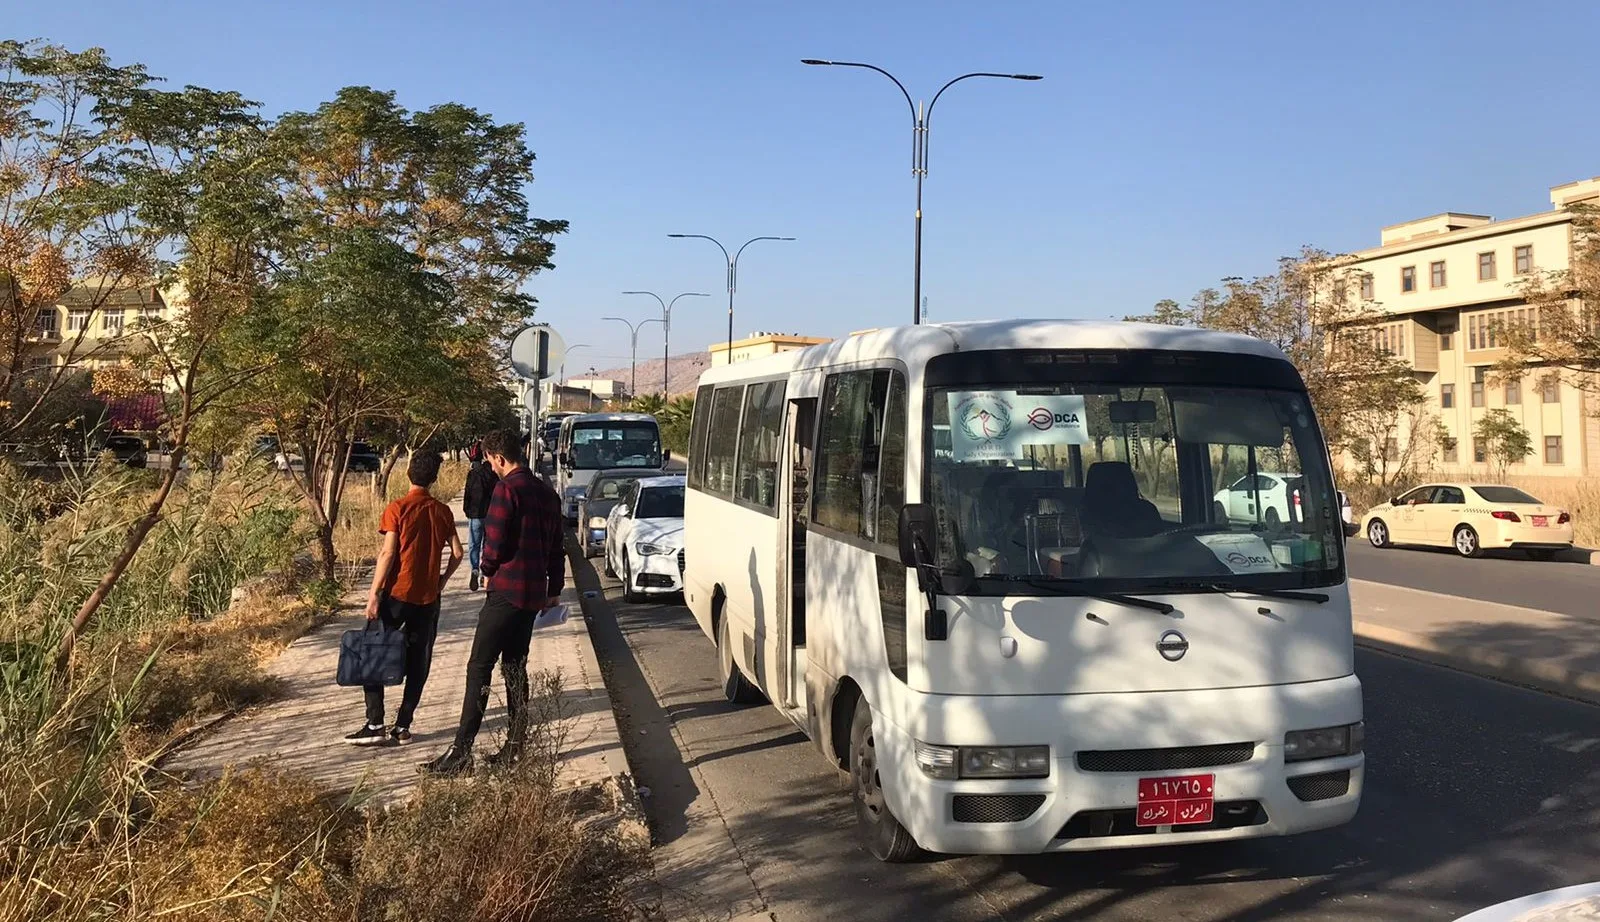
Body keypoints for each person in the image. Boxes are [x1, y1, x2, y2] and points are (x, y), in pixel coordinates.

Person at [423, 428, 564, 775]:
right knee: (516, 667)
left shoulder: (506, 490)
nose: (491, 467)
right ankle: (515, 746)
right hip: (533, 596)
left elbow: (495, 543)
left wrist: (484, 568)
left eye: (490, 460)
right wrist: (554, 590)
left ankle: (461, 752)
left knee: (479, 667)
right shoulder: (548, 495)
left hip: (504, 593)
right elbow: (557, 549)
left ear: (499, 458)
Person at [347, 450, 463, 747]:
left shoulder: (397, 508)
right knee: (418, 660)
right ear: (434, 478)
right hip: (428, 598)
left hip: (397, 594)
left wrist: (373, 594)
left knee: (371, 651)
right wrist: (441, 581)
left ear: (409, 472)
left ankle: (375, 723)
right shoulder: (443, 511)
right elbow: (458, 553)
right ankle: (403, 726)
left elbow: (388, 553)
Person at [462, 441, 498, 592]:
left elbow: (467, 494)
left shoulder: (473, 474)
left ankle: (474, 569)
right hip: (490, 515)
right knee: (487, 545)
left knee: (474, 544)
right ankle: (485, 572)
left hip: (475, 514)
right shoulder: (493, 474)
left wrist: (467, 511)